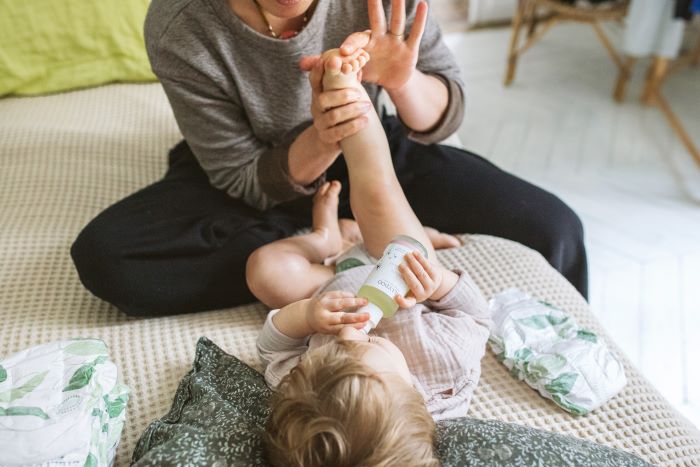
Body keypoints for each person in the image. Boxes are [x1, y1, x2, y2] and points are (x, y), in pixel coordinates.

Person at [69, 0, 588, 318]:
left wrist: (401, 82)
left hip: (370, 142)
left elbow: (442, 118)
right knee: (108, 260)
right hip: (251, 169)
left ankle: (332, 240)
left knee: (555, 228)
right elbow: (239, 176)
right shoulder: (180, 22)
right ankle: (336, 241)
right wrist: (321, 135)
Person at [257, 48, 491, 467]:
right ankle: (352, 107)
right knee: (397, 227)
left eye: (334, 355)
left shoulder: (308, 393)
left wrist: (309, 317)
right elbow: (477, 317)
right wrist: (437, 284)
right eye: (368, 344)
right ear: (412, 391)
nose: (350, 334)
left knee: (265, 271)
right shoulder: (445, 366)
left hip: (328, 279)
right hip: (393, 265)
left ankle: (324, 237)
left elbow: (270, 346)